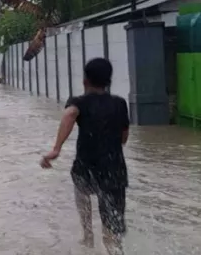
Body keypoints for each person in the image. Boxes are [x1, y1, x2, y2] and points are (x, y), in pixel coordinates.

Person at [40, 58, 130, 255]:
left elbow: (69, 115)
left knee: (82, 194)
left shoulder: (78, 101)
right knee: (113, 229)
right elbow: (124, 137)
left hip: (86, 165)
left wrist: (56, 149)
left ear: (85, 81)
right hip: (114, 169)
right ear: (109, 81)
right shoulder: (120, 103)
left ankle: (88, 235)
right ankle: (114, 248)